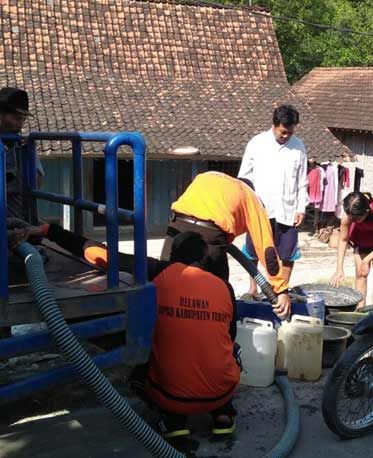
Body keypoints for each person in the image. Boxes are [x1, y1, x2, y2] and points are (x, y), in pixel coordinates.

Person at [24, 225, 240, 438]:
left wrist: (50, 231)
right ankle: (223, 416)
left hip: (170, 396)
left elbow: (99, 254)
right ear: (203, 259)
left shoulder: (157, 270)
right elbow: (230, 337)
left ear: (173, 256)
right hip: (221, 392)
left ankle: (173, 420)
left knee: (143, 359)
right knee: (233, 350)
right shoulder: (224, 286)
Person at [161, 171, 291, 318]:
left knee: (164, 284)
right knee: (220, 296)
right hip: (210, 236)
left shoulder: (207, 176)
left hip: (176, 228)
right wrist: (281, 290)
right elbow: (267, 250)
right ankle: (220, 337)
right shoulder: (250, 196)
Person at [238, 105, 308, 298]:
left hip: (288, 209)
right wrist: (247, 207)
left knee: (287, 254)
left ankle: (280, 290)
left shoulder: (299, 147)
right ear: (274, 125)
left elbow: (302, 180)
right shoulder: (257, 143)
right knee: (253, 252)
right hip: (260, 209)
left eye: (290, 132)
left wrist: (301, 208)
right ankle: (253, 288)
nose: (286, 136)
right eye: (283, 132)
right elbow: (244, 178)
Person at [0, 87, 45, 220]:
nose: (19, 125)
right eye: (16, 118)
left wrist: (29, 157)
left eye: (22, 120)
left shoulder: (21, 147)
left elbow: (37, 183)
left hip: (17, 220)